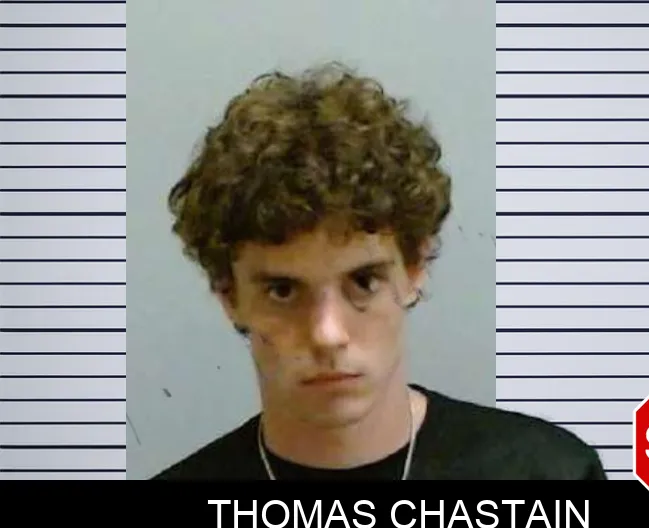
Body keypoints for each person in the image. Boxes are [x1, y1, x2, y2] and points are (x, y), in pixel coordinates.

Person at [153, 63, 606, 480]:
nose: (327, 334)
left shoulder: (550, 475)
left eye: (363, 282)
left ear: (414, 268)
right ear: (228, 294)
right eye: (283, 291)